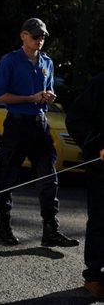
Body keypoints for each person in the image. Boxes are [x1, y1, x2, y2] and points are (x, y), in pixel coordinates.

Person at [0, 17, 78, 247]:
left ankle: (50, 230)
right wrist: (30, 98)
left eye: (43, 36)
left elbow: (47, 90)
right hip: (17, 124)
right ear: (23, 36)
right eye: (36, 36)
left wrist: (49, 96)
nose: (40, 40)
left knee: (49, 176)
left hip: (40, 124)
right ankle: (3, 226)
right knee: (9, 176)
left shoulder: (48, 62)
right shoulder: (9, 61)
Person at [65, 73, 104, 299]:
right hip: (101, 168)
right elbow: (76, 118)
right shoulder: (100, 83)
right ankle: (94, 276)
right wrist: (98, 144)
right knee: (101, 220)